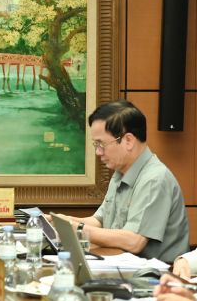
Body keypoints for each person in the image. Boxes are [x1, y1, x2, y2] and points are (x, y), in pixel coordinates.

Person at [55, 100, 188, 263]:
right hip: (121, 266)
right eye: (95, 144)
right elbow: (99, 221)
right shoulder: (120, 172)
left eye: (101, 144)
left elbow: (134, 242)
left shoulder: (154, 179)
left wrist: (78, 229)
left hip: (154, 279)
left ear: (128, 141)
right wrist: (60, 220)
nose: (98, 152)